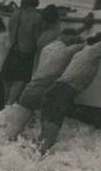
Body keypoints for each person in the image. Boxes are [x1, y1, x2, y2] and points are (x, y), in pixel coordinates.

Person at [38, 18, 101, 153]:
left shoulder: (86, 50)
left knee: (44, 138)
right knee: (49, 141)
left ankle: (32, 164)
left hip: (54, 92)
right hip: (60, 95)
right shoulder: (93, 52)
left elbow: (98, 38)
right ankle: (36, 167)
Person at [5, 13, 95, 141]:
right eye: (72, 39)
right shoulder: (67, 51)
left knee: (15, 131)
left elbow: (69, 37)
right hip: (44, 93)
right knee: (45, 135)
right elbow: (90, 45)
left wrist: (82, 28)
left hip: (29, 91)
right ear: (70, 40)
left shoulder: (48, 47)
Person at [2, 0, 45, 105]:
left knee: (7, 81)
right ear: (36, 2)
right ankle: (8, 110)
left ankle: (3, 110)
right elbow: (38, 40)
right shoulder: (37, 17)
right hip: (25, 55)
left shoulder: (15, 13)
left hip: (12, 52)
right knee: (19, 83)